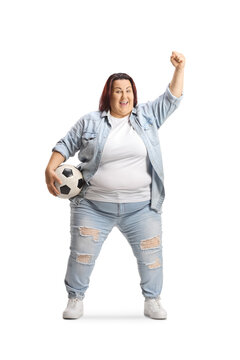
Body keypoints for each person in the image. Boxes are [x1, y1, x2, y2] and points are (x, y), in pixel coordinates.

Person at [45, 51, 185, 320]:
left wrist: (180, 69)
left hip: (142, 207)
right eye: (118, 91)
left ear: (134, 94)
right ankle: (75, 297)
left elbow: (172, 98)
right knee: (81, 255)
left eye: (128, 90)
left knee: (152, 256)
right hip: (93, 206)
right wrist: (50, 167)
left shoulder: (148, 116)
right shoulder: (90, 121)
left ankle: (152, 299)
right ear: (108, 95)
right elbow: (64, 145)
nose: (124, 96)